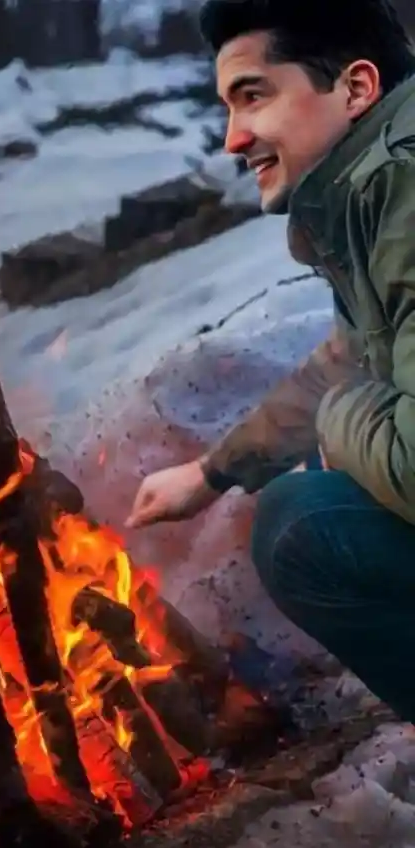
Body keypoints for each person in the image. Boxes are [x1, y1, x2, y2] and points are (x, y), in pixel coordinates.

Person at [125, 0, 415, 722]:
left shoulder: (408, 197)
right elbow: (352, 355)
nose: (232, 139)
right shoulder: (376, 189)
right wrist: (211, 472)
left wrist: (333, 428)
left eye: (253, 96)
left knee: (300, 526)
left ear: (356, 88)